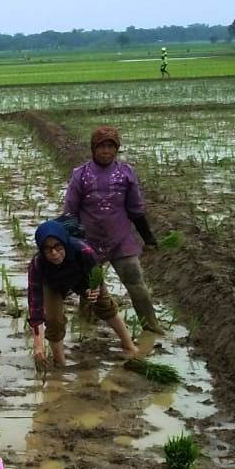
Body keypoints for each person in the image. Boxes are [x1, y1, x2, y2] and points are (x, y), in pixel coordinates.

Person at [62, 125, 164, 332]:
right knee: (91, 286)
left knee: (136, 282)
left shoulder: (126, 173)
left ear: (116, 149)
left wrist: (149, 238)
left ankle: (151, 326)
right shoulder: (80, 175)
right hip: (89, 241)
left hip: (120, 239)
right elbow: (70, 212)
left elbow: (136, 210)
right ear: (93, 149)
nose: (106, 151)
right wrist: (70, 242)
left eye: (110, 146)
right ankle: (86, 326)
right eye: (102, 146)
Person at [28, 219, 139, 367]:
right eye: (47, 249)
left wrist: (94, 289)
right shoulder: (37, 264)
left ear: (65, 243)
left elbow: (96, 272)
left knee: (105, 305)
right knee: (54, 321)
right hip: (53, 283)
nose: (54, 253)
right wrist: (38, 344)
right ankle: (60, 364)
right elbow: (35, 306)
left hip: (82, 276)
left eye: (58, 247)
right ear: (41, 250)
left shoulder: (82, 250)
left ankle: (129, 346)